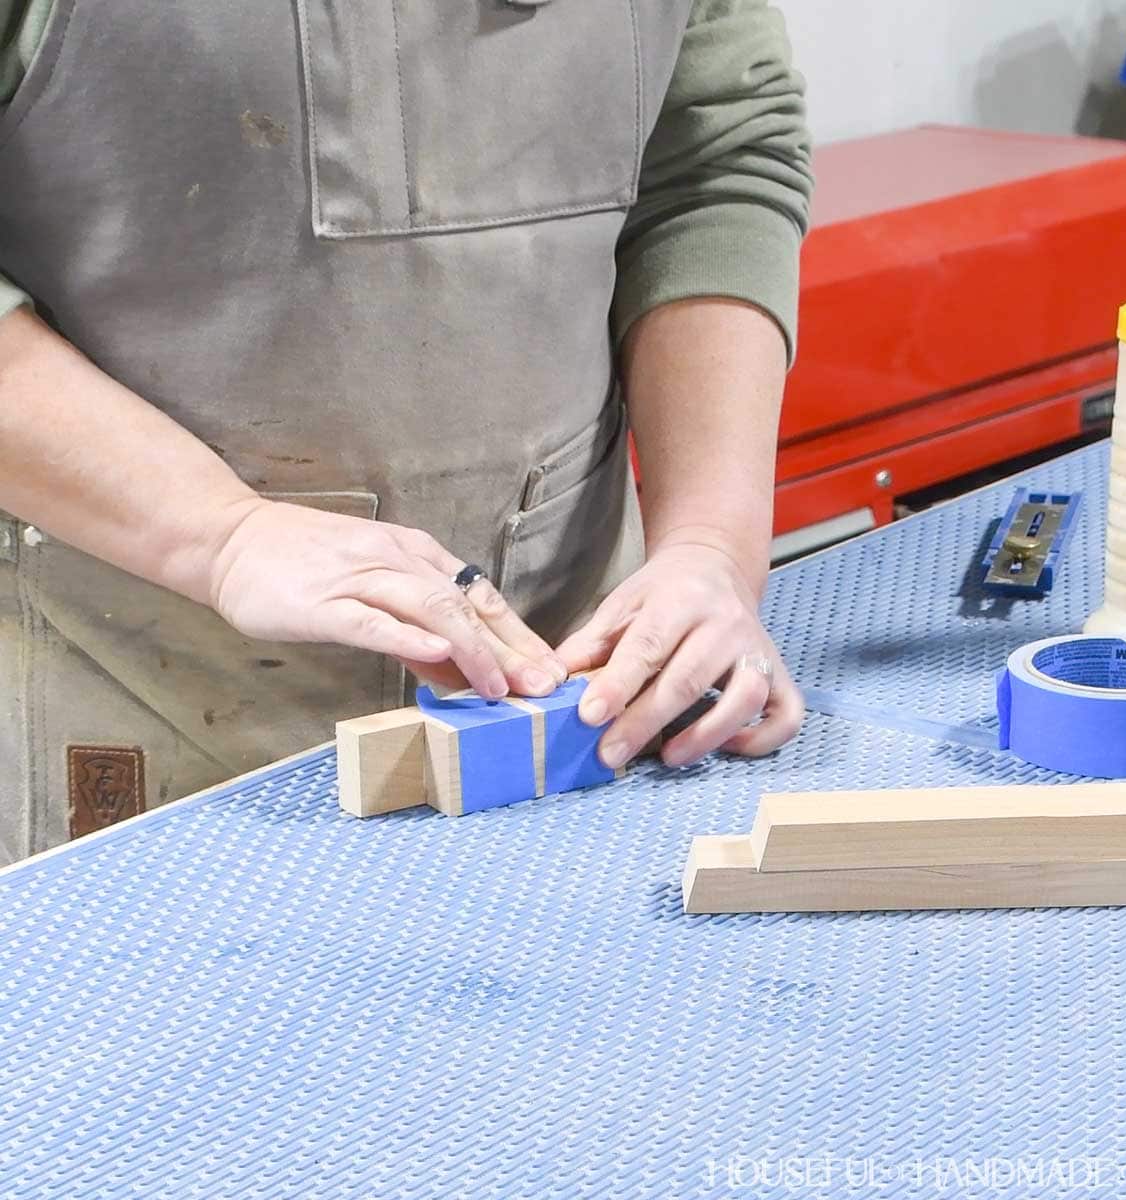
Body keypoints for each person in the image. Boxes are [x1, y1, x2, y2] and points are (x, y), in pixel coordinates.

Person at [0, 0, 813, 863]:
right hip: (136, 708)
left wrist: (710, 544)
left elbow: (715, 169)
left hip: (581, 697)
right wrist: (219, 535)